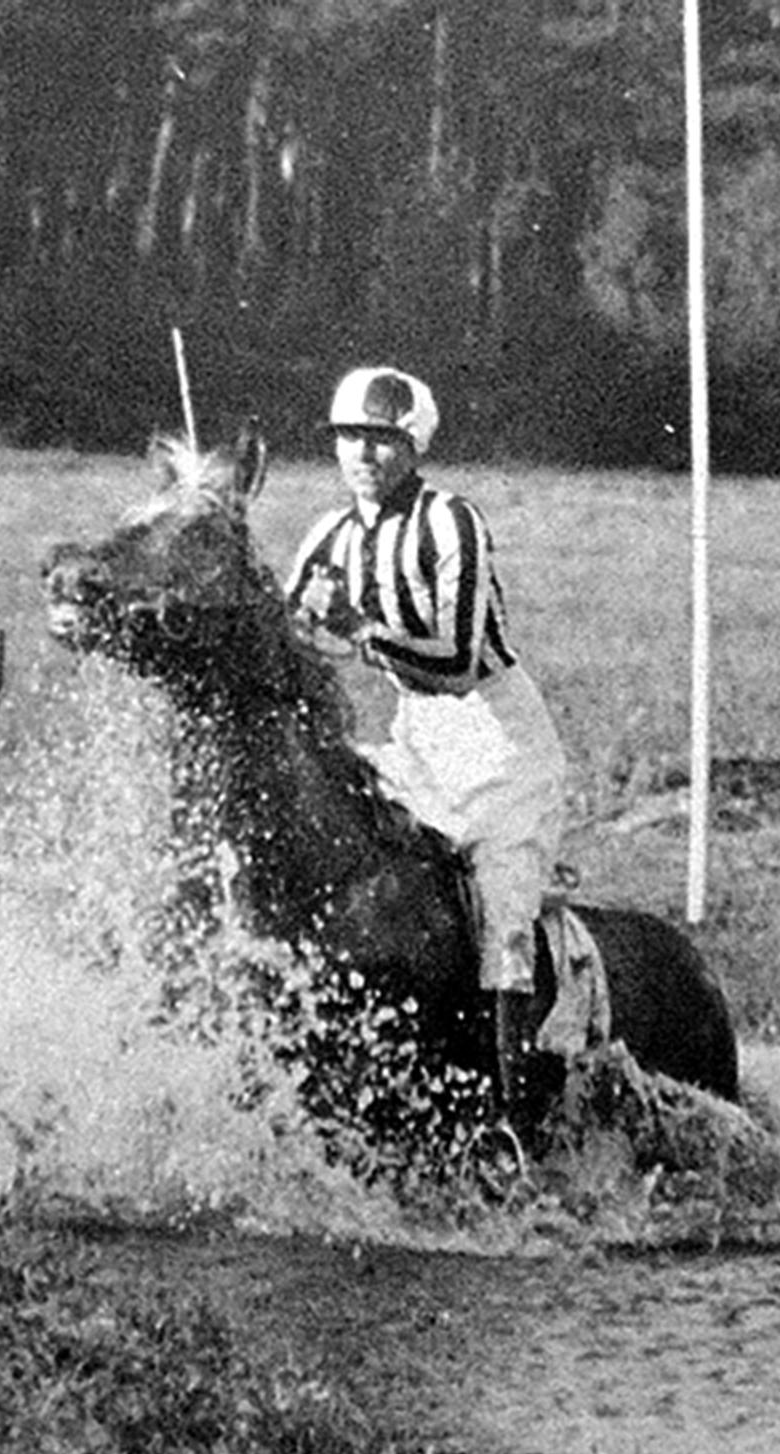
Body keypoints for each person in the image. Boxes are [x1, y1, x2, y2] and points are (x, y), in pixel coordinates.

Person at [284, 365, 570, 1108]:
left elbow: (453, 657)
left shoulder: (452, 521)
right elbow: (279, 636)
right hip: (414, 734)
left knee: (504, 924)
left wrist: (355, 628)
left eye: (381, 441)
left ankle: (511, 1116)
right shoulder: (329, 534)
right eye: (350, 439)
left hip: (497, 735)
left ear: (412, 447)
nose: (362, 457)